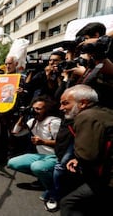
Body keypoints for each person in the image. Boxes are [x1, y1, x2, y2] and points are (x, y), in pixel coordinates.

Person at [58, 84, 113, 216]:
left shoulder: (86, 117)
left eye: (65, 103)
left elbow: (87, 155)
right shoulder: (103, 112)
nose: (61, 108)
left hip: (107, 179)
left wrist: (79, 158)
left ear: (82, 103)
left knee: (68, 204)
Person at [7, 96, 61, 208]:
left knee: (37, 167)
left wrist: (44, 142)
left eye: (38, 109)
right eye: (33, 108)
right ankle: (43, 179)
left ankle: (52, 189)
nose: (34, 111)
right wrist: (22, 117)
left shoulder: (54, 122)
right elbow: (16, 133)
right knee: (12, 163)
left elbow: (63, 143)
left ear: (47, 109)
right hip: (40, 155)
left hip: (54, 156)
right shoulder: (33, 121)